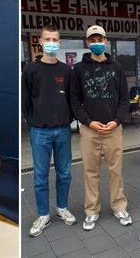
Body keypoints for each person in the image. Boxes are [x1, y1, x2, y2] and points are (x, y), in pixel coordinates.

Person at [70, 25, 131, 231]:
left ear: (106, 41)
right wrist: (88, 122)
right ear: (87, 42)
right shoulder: (78, 69)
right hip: (90, 130)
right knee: (90, 171)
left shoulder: (117, 67)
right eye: (92, 40)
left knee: (116, 171)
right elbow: (75, 101)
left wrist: (117, 121)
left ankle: (119, 206)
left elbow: (124, 99)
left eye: (100, 39)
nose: (96, 43)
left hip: (113, 129)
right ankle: (91, 211)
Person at [22, 25, 76, 238]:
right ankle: (43, 214)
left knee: (65, 173)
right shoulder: (31, 70)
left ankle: (62, 207)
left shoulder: (65, 71)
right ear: (41, 42)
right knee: (40, 176)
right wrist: (34, 121)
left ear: (59, 43)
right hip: (40, 132)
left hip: (63, 131)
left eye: (55, 39)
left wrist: (67, 120)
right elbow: (25, 101)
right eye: (48, 39)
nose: (52, 42)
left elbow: (72, 99)